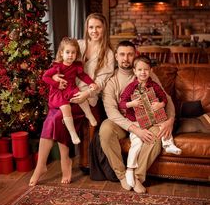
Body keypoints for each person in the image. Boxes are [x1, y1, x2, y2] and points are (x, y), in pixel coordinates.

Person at [29, 12, 114, 186]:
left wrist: (87, 94)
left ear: (104, 28)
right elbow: (58, 64)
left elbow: (102, 81)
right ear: (86, 28)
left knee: (57, 118)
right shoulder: (79, 44)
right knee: (53, 118)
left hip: (86, 100)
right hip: (64, 93)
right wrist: (55, 79)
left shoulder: (108, 54)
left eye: (98, 27)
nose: (94, 31)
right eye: (91, 27)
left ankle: (62, 160)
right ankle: (43, 165)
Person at [99, 40, 176, 193]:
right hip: (122, 122)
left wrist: (170, 120)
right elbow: (111, 111)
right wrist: (134, 129)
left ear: (135, 55)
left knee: (156, 136)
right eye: (122, 54)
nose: (125, 58)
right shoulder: (111, 80)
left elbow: (165, 98)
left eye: (129, 54)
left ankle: (137, 178)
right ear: (116, 56)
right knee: (105, 129)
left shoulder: (147, 74)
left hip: (148, 120)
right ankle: (122, 176)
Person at [119, 55, 181, 187]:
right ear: (134, 71)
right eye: (140, 69)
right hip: (136, 122)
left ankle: (168, 144)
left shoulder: (154, 85)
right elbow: (122, 103)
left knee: (162, 125)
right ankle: (130, 169)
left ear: (151, 70)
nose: (143, 72)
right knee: (137, 144)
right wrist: (132, 104)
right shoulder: (131, 87)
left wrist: (161, 105)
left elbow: (164, 98)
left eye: (146, 69)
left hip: (152, 120)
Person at [42, 37, 99, 145]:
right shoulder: (57, 67)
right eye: (67, 52)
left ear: (76, 54)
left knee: (80, 96)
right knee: (66, 108)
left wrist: (91, 83)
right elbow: (45, 77)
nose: (70, 55)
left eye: (73, 53)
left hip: (71, 88)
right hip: (58, 93)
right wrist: (57, 84)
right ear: (61, 53)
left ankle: (89, 115)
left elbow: (83, 76)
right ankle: (73, 133)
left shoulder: (75, 66)